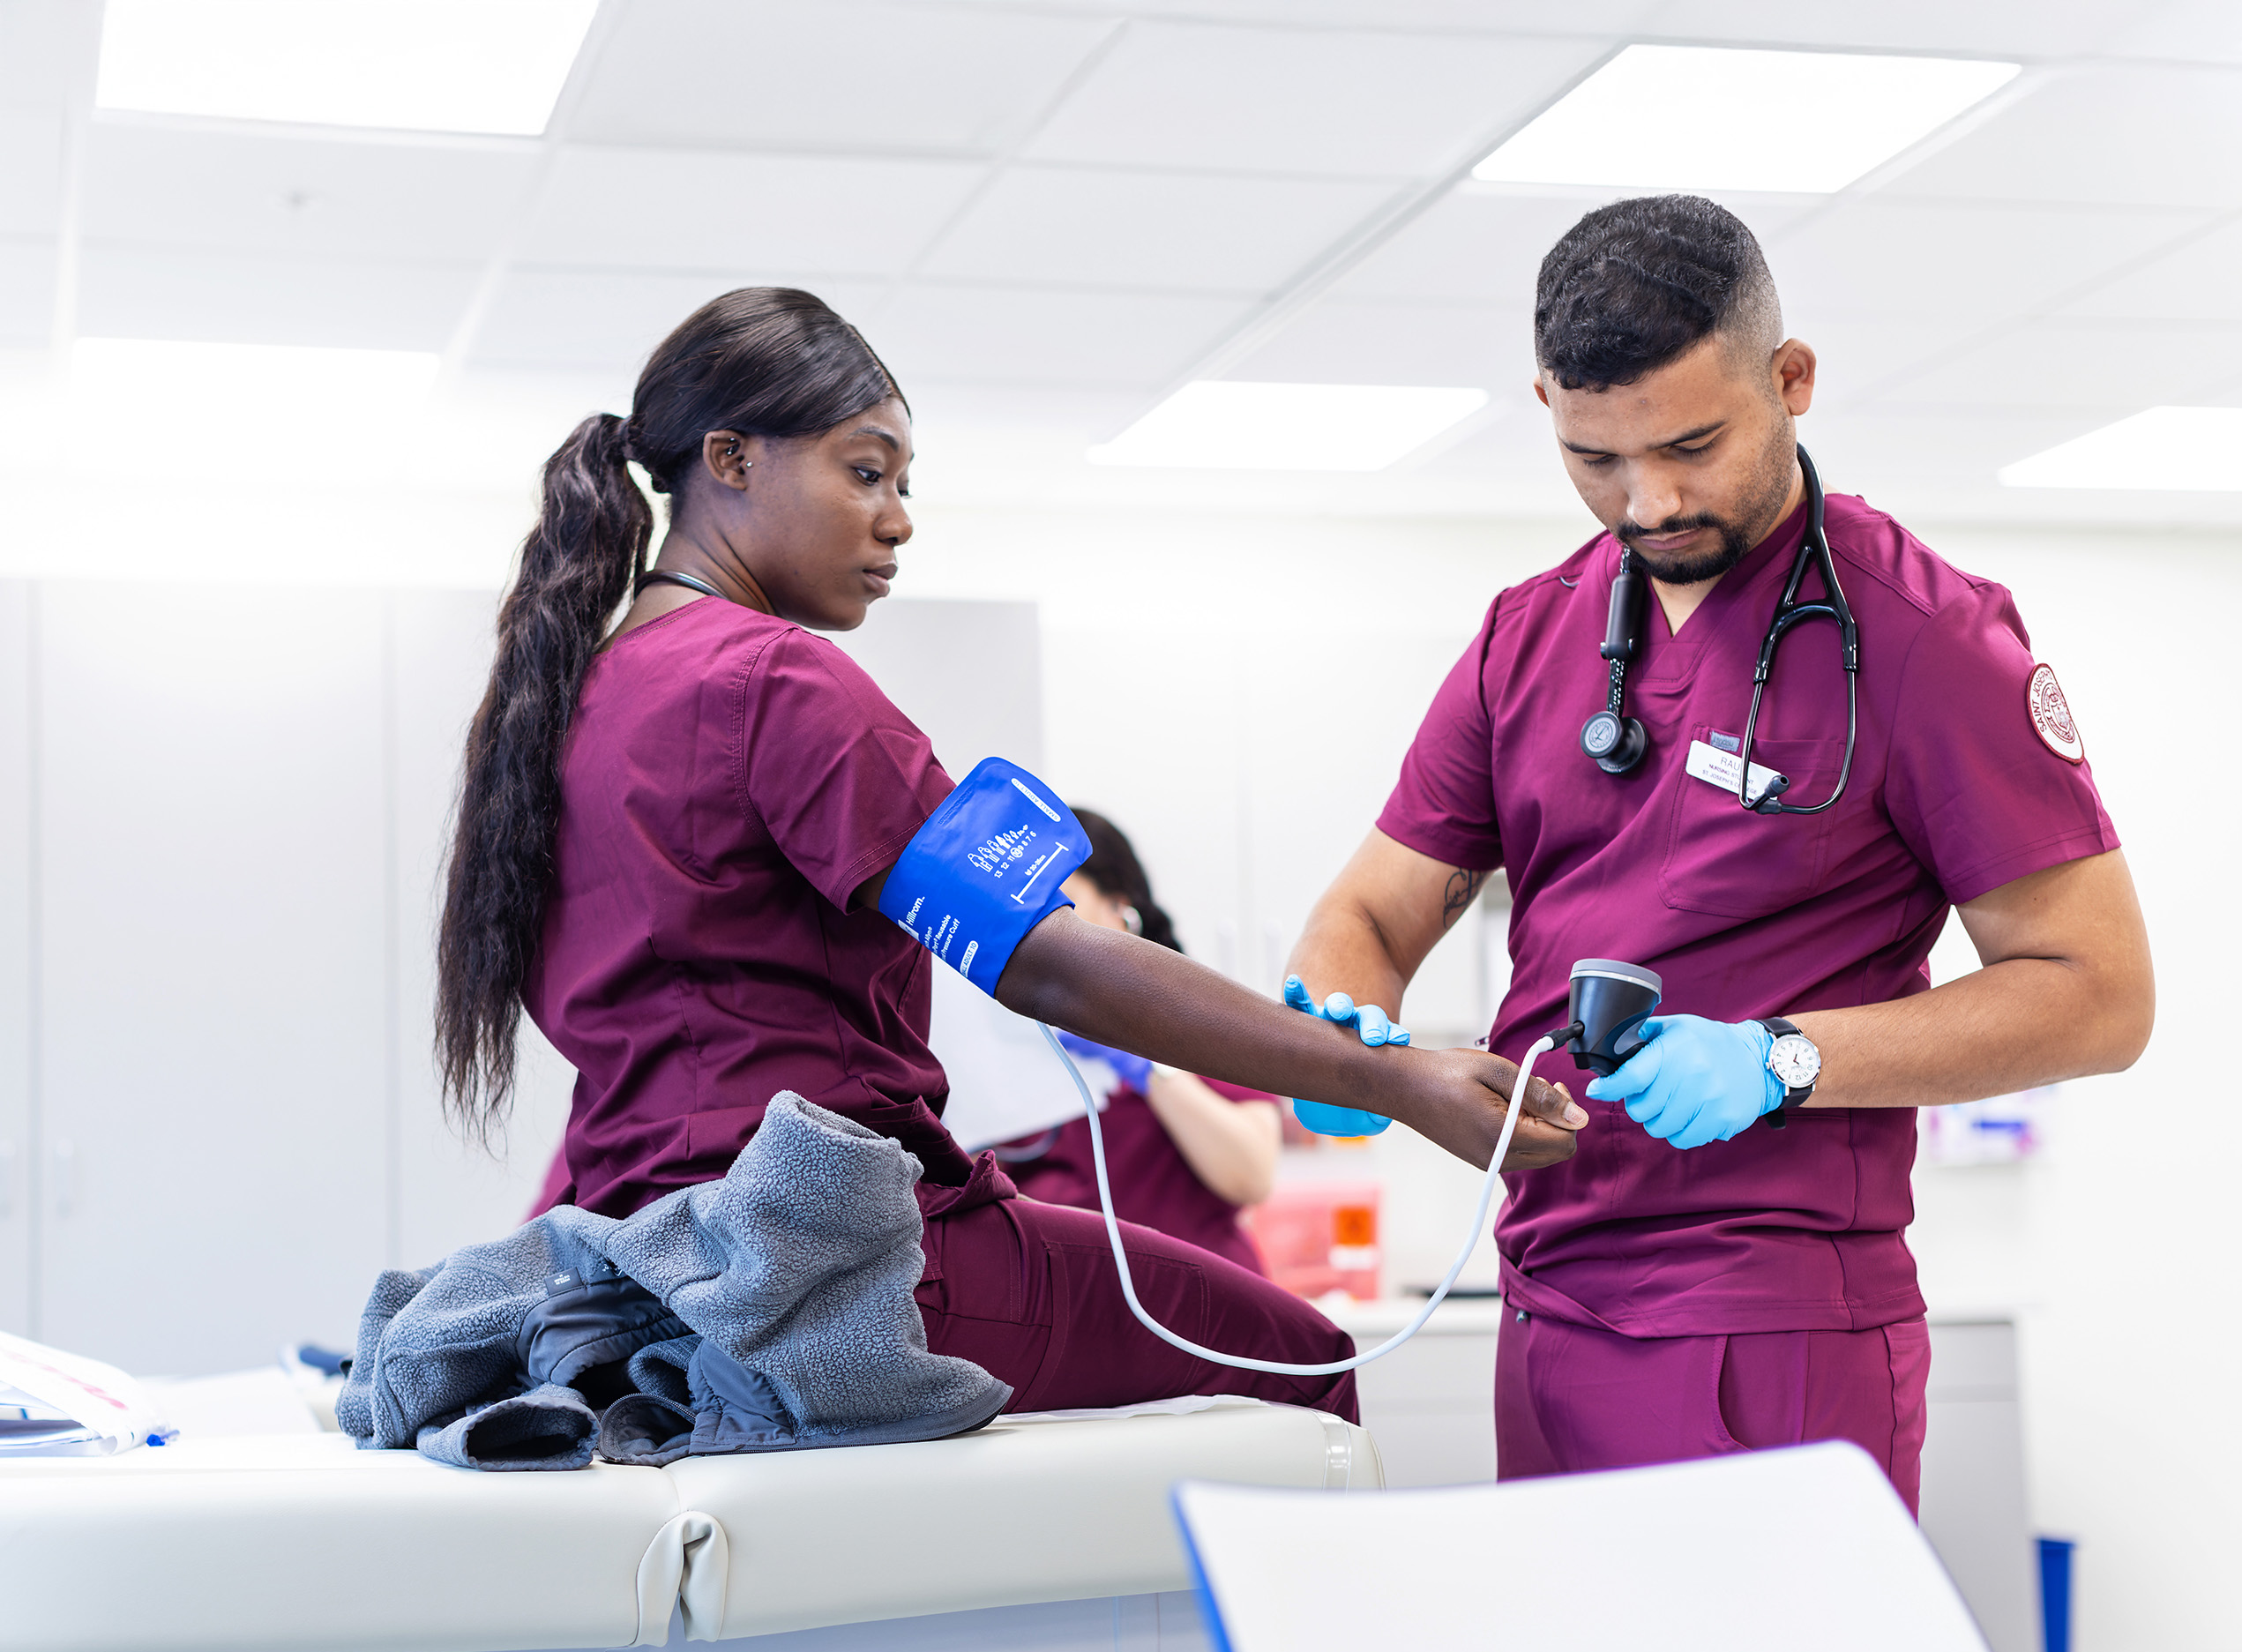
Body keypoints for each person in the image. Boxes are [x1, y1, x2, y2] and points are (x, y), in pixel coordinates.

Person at [436, 287, 1588, 1425]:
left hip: (638, 1251)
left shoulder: (569, 702)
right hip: (825, 1254)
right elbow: (1039, 959)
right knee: (1297, 1355)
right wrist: (1392, 1075)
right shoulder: (774, 683)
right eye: (865, 470)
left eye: (903, 483)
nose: (898, 518)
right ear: (730, 460)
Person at [1284, 197, 2154, 1509]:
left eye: (1693, 444)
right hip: (1545, 1296)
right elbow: (1373, 910)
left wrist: (1783, 1060)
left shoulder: (1927, 641)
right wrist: (1347, 1039)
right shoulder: (1527, 636)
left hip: (1773, 1320)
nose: (1649, 501)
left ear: (1789, 380)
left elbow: (2098, 992)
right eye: (1595, 460)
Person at [997, 810, 1282, 1276]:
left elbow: (1251, 1175)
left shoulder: (1201, 1019)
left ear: (1119, 913)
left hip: (1203, 1307)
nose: (1034, 921)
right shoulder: (1008, 1041)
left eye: (1055, 898)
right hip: (1072, 1310)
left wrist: (1150, 1063)